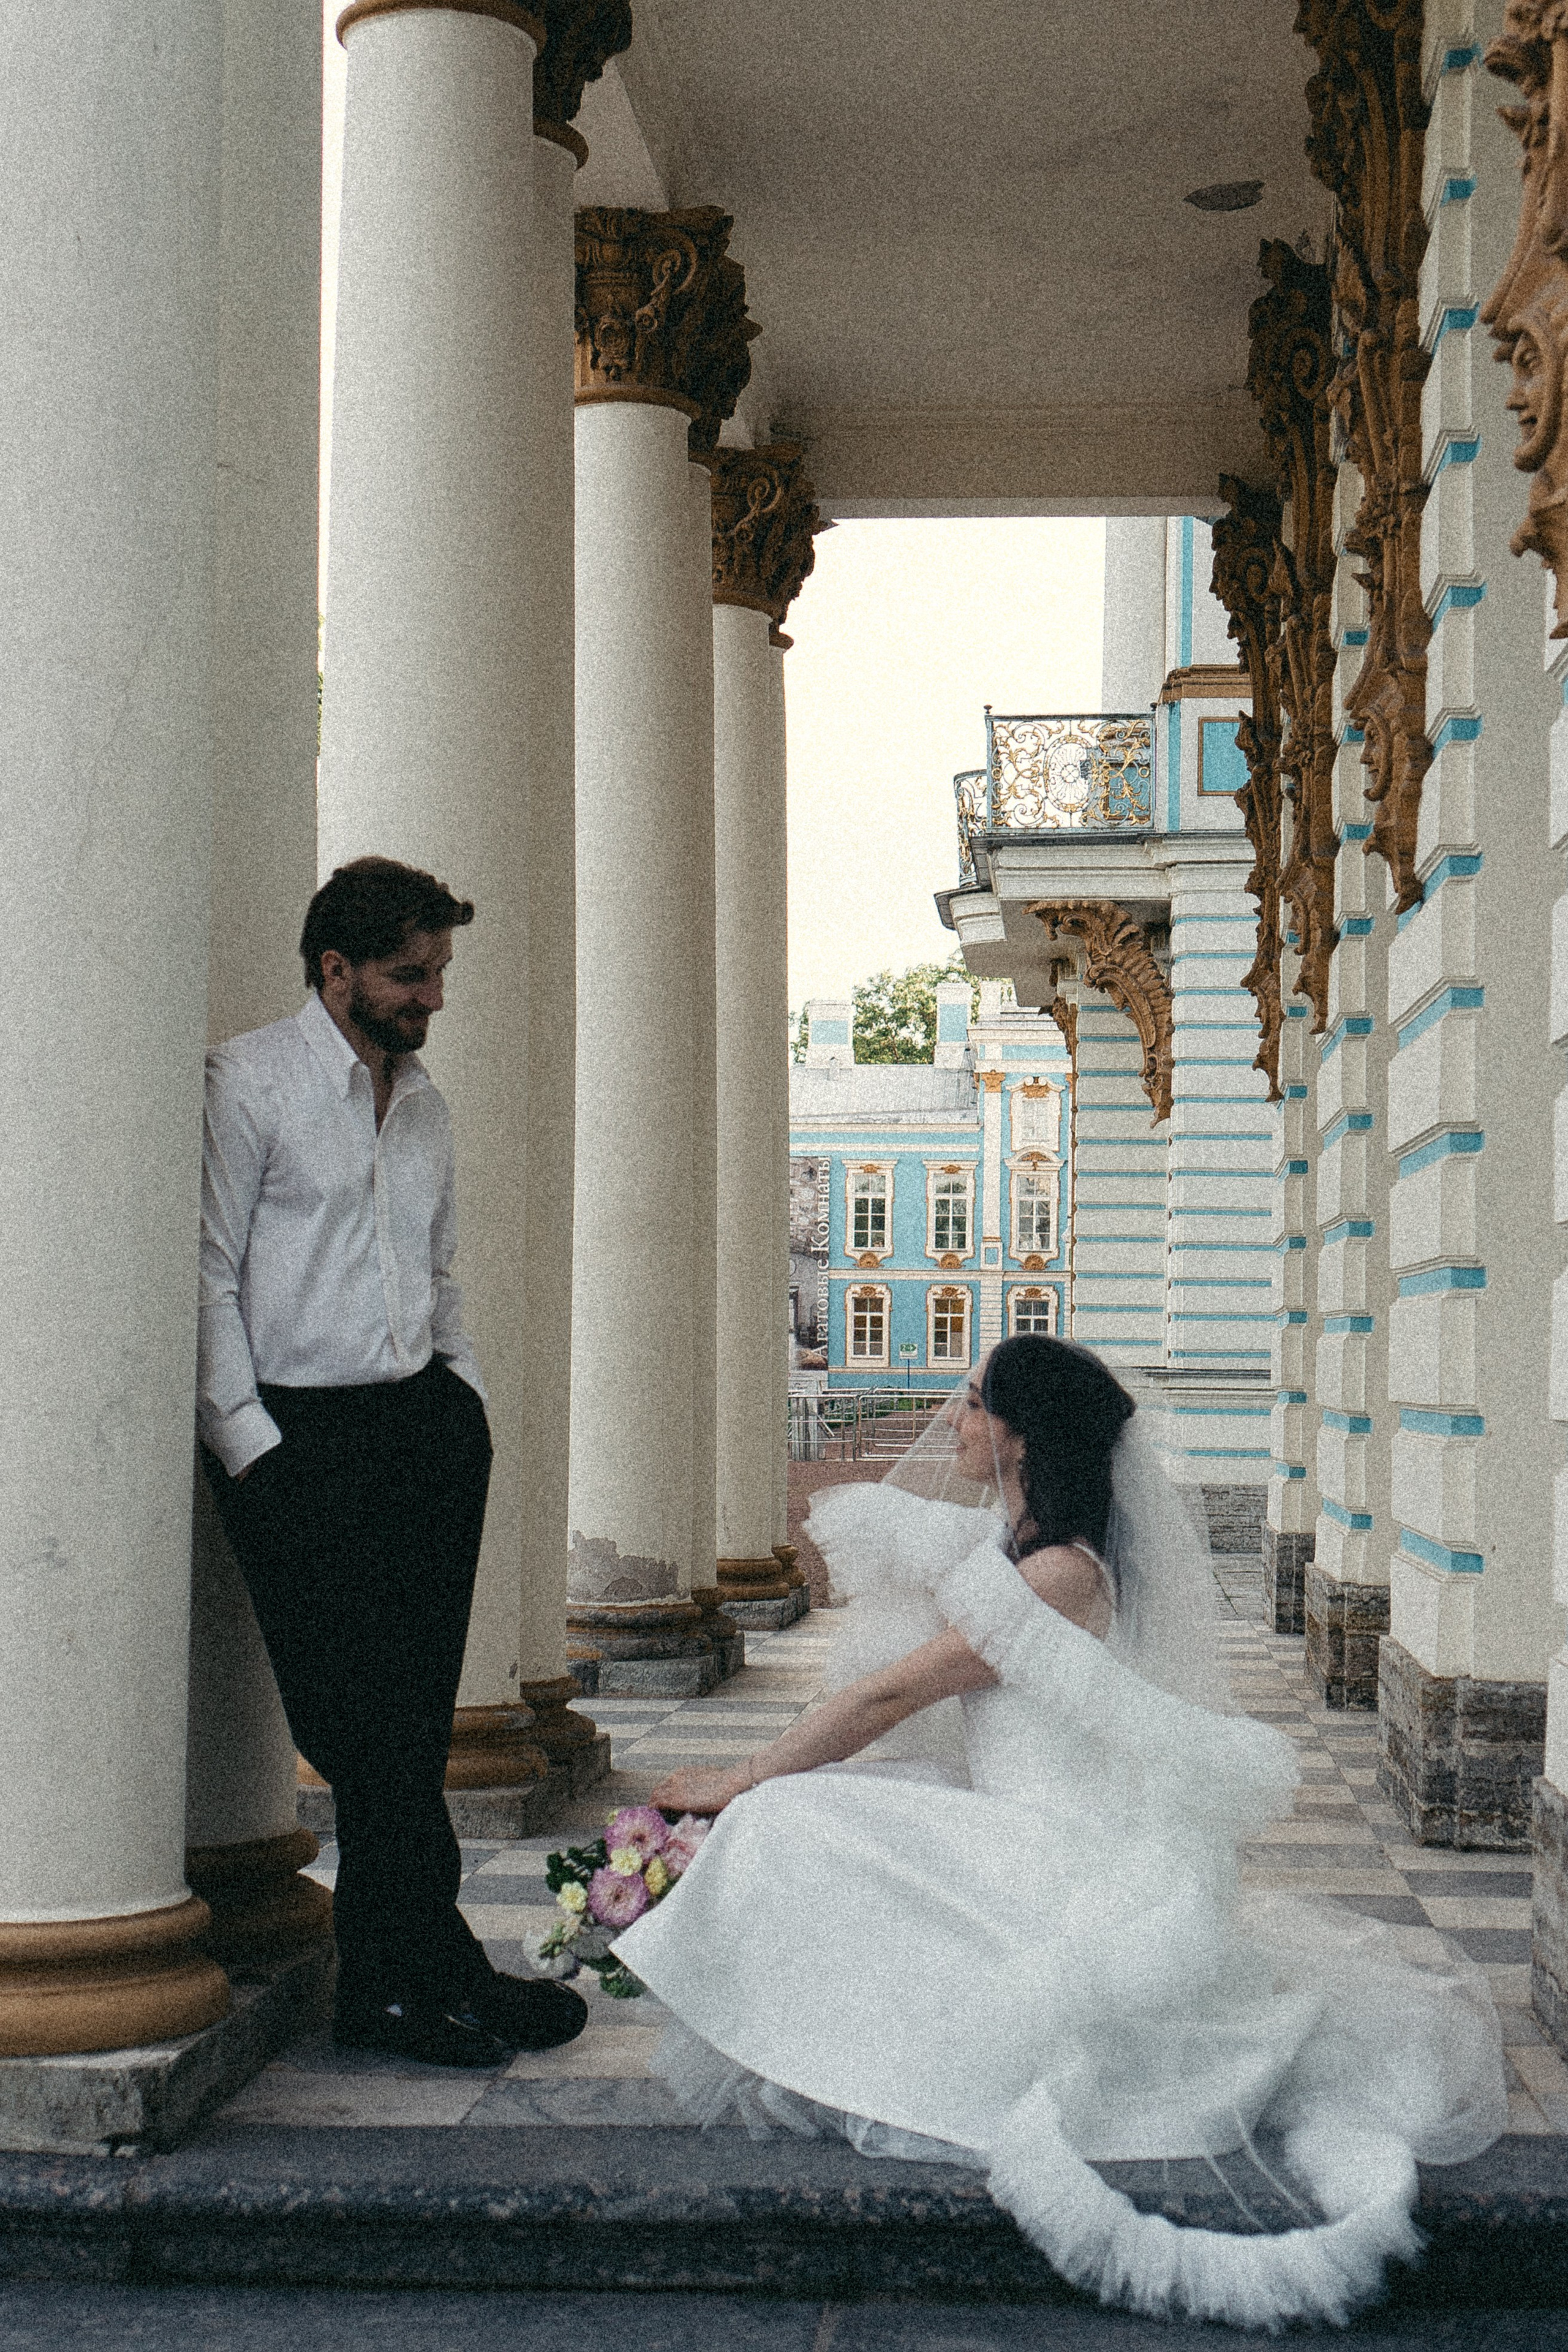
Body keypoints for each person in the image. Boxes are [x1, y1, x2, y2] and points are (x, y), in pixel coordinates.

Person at [611, 1336, 1506, 2331]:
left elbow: (894, 1690)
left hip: (1059, 1849)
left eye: (969, 1403)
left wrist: (740, 1777)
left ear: (1021, 1437)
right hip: (1016, 1822)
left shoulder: (1057, 1580)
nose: (952, 1421)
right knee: (827, 1815)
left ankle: (847, 2040)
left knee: (786, 1815)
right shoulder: (1018, 1554)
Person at [197, 855, 586, 2068]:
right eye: (409, 975)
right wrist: (251, 1446)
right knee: (360, 1730)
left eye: (437, 974)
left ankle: (412, 1977)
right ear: (336, 970)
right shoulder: (247, 1086)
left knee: (409, 1732)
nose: (432, 998)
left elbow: (438, 1272)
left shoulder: (423, 1104)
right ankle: (415, 1977)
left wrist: (456, 1396)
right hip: (295, 1446)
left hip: (417, 1432)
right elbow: (203, 1275)